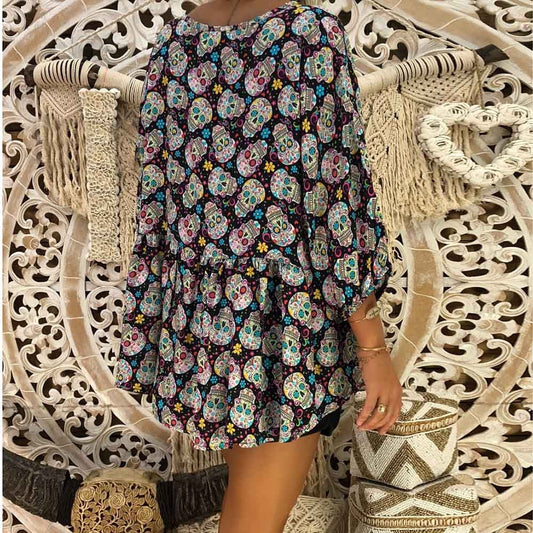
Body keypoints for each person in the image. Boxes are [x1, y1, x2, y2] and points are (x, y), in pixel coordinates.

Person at [114, 0, 403, 531]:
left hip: (204, 316)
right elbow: (334, 197)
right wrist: (373, 347)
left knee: (246, 501)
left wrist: (156, 303)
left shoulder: (174, 43)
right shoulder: (308, 33)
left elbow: (156, 194)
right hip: (286, 328)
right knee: (253, 518)